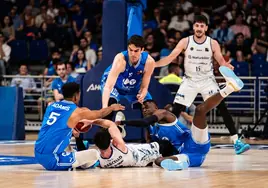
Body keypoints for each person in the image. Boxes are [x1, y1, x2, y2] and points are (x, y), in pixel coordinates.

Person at [116, 66, 248, 170]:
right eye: (142, 108)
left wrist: (122, 122)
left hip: (193, 141)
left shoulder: (163, 113)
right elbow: (151, 146)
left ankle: (229, 87)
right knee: (158, 161)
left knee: (200, 110)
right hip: (189, 155)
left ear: (155, 106)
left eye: (147, 105)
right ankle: (181, 163)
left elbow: (145, 121)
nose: (144, 108)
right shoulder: (151, 129)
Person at [155, 15, 250, 154]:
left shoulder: (213, 43)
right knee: (175, 110)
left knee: (222, 108)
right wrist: (154, 64)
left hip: (207, 80)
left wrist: (226, 66)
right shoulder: (185, 41)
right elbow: (169, 58)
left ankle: (236, 142)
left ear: (206, 28)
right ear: (193, 27)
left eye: (202, 26)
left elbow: (221, 62)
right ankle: (162, 141)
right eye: (197, 26)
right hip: (190, 80)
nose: (199, 28)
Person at [34, 82, 125, 171]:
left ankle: (75, 160)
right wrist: (112, 107)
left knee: (75, 146)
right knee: (94, 154)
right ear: (76, 96)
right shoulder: (77, 112)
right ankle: (80, 164)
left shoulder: (51, 106)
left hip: (37, 152)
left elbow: (56, 125)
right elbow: (100, 113)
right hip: (53, 159)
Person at [101, 35, 155, 120]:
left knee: (150, 110)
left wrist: (142, 94)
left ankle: (152, 133)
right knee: (108, 110)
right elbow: (108, 86)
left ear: (142, 50)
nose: (133, 54)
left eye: (136, 51)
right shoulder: (120, 60)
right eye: (130, 50)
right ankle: (105, 131)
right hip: (115, 85)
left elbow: (144, 87)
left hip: (134, 86)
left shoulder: (149, 62)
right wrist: (104, 108)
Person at [88, 120, 175, 168]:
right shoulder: (119, 145)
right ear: (110, 139)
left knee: (158, 160)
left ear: (96, 145)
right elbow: (110, 124)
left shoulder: (101, 162)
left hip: (144, 163)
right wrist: (91, 121)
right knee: (172, 147)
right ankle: (179, 158)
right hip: (154, 149)